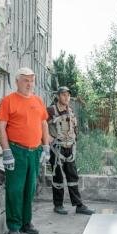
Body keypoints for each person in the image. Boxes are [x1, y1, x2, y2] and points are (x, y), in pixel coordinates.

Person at [0, 67, 51, 234]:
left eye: (32, 80)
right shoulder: (9, 101)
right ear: (17, 81)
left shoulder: (38, 101)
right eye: (26, 80)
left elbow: (44, 124)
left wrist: (46, 147)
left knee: (30, 188)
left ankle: (26, 222)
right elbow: (1, 126)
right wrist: (6, 151)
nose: (29, 84)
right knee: (15, 188)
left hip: (34, 151)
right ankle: (13, 225)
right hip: (16, 151)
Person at [47, 86, 93, 215]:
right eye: (63, 95)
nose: (66, 97)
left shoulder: (70, 110)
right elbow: (41, 124)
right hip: (56, 149)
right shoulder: (50, 110)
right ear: (58, 96)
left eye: (67, 95)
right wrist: (47, 138)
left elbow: (74, 128)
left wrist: (75, 140)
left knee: (73, 177)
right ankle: (58, 205)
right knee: (58, 178)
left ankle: (79, 205)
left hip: (69, 149)